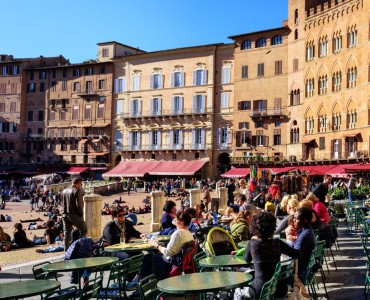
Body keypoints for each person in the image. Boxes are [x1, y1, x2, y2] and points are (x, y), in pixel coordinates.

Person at [233, 211, 300, 300]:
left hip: (259, 289)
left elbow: (247, 259)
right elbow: (297, 254)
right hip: (278, 288)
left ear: (255, 228)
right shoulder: (278, 243)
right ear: (273, 228)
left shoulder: (252, 243)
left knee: (237, 290)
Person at [142, 211, 195, 280]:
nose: (175, 222)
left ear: (181, 222)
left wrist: (156, 245)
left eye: (176, 220)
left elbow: (168, 252)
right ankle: (144, 284)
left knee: (148, 258)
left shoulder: (178, 233)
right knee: (153, 257)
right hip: (180, 262)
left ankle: (141, 285)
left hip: (171, 264)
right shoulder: (189, 234)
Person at [62, 177, 88, 250]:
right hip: (74, 215)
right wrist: (81, 214)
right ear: (78, 183)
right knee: (84, 230)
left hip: (64, 214)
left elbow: (62, 203)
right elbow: (79, 205)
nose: (81, 185)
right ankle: (79, 248)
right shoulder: (77, 191)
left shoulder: (64, 191)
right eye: (81, 184)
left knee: (67, 234)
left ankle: (66, 250)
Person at [293, 207, 316, 283]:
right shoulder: (307, 231)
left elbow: (295, 256)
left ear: (305, 220)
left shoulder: (304, 236)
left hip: (298, 274)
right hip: (304, 270)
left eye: (296, 219)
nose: (294, 220)